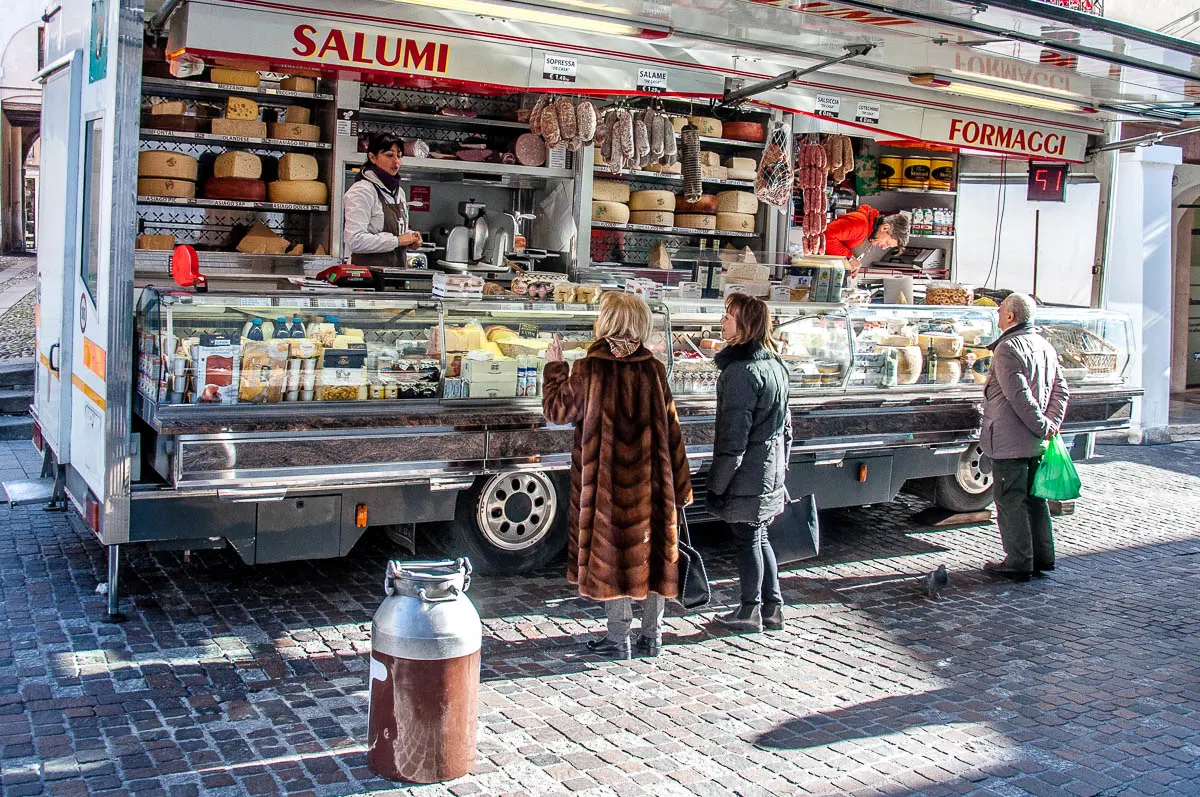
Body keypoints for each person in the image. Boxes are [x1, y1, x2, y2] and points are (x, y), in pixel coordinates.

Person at [542, 292, 693, 659]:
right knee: (655, 554)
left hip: (606, 486)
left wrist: (554, 369)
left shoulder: (589, 368)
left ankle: (617, 638)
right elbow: (673, 431)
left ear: (605, 322)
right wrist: (681, 488)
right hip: (652, 485)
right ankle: (653, 636)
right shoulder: (654, 369)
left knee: (611, 555)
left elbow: (557, 412)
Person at [706, 294, 793, 633]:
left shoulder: (740, 373)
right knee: (758, 536)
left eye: (730, 316)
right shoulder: (775, 365)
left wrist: (717, 484)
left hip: (748, 473)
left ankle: (750, 610)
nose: (723, 321)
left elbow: (734, 439)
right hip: (769, 468)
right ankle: (772, 608)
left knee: (748, 539)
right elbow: (787, 427)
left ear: (746, 326)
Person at [981, 293, 1070, 582]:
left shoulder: (1008, 348)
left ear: (1010, 317)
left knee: (1011, 501)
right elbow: (1061, 390)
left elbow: (1019, 398)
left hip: (1010, 439)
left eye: (1000, 312)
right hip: (1035, 439)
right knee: (1035, 500)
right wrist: (1050, 424)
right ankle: (1044, 557)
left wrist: (1042, 425)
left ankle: (1019, 560)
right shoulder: (1045, 345)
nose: (997, 316)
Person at [343, 132, 422, 267]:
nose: (396, 161)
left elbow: (397, 232)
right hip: (368, 278)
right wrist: (397, 241)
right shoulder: (362, 191)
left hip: (396, 275)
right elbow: (355, 241)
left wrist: (411, 238)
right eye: (389, 155)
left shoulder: (399, 192)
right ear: (372, 157)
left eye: (399, 155)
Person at [824, 204, 910, 279]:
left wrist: (853, 264)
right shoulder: (859, 223)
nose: (884, 247)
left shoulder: (872, 235)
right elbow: (826, 236)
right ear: (884, 228)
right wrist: (849, 258)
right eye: (887, 243)